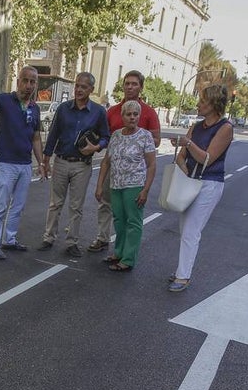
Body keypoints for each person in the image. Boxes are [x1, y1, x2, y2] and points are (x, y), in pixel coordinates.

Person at [167, 83, 234, 292]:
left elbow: (207, 159)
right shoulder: (195, 127)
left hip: (210, 184)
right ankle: (181, 270)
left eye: (203, 101)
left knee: (191, 230)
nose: (198, 104)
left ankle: (183, 276)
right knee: (184, 228)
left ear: (214, 104)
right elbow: (182, 156)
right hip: (190, 181)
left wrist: (187, 143)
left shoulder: (225, 128)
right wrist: (184, 167)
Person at [0, 66, 44, 259]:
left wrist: (41, 163)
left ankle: (10, 239)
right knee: (1, 204)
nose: (29, 85)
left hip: (25, 164)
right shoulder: (6, 100)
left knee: (18, 206)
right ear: (18, 81)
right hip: (6, 163)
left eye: (33, 82)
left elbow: (36, 138)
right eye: (26, 80)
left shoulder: (35, 108)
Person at [90, 70, 162, 255]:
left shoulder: (149, 113)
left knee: (132, 217)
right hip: (114, 170)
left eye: (134, 84)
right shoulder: (113, 111)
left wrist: (136, 141)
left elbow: (156, 142)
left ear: (141, 87)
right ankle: (103, 238)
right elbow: (105, 137)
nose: (130, 87)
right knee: (109, 207)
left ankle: (127, 256)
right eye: (127, 83)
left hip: (135, 176)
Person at [39, 72, 110, 257]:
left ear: (91, 90)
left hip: (82, 165)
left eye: (83, 87)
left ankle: (72, 242)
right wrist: (46, 160)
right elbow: (53, 135)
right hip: (61, 161)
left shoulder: (99, 112)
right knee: (55, 203)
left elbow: (106, 137)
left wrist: (96, 147)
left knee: (76, 206)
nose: (78, 89)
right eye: (77, 85)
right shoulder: (63, 109)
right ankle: (49, 237)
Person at [93, 100, 156, 272]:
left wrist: (145, 190)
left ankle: (128, 259)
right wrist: (99, 186)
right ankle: (118, 252)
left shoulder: (145, 136)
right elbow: (106, 162)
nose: (132, 117)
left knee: (133, 222)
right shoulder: (116, 135)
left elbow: (151, 165)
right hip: (116, 185)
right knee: (119, 221)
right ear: (122, 116)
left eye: (136, 114)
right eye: (128, 114)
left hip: (135, 185)